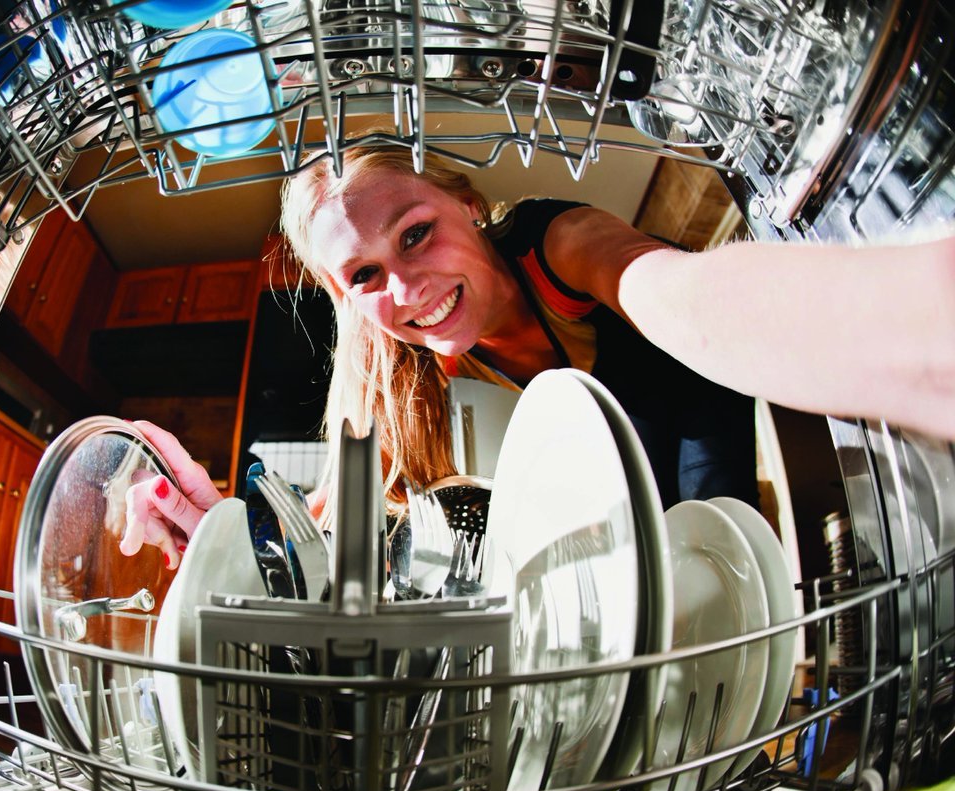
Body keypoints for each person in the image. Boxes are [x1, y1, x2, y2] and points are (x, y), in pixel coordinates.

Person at [120, 136, 955, 569]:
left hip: (701, 408)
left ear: (465, 201)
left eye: (416, 233)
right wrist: (220, 531)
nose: (406, 289)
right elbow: (337, 522)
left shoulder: (560, 245)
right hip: (617, 480)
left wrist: (909, 324)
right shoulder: (397, 361)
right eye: (364, 276)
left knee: (714, 550)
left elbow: (683, 297)